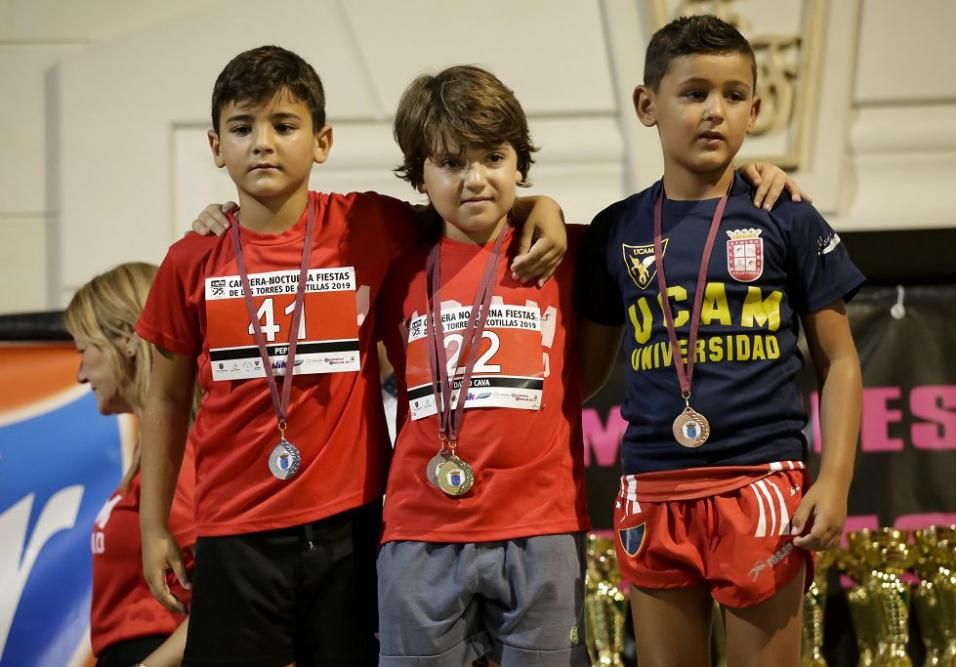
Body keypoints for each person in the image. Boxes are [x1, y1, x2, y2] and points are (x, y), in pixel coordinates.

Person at [134, 46, 564, 667]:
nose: (262, 144)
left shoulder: (367, 224)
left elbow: (465, 203)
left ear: (322, 141)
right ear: (214, 145)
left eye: (284, 126)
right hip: (233, 531)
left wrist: (537, 205)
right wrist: (154, 530)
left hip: (352, 527)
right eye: (242, 128)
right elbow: (166, 399)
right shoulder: (190, 259)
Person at [575, 15, 864, 667]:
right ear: (647, 106)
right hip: (653, 483)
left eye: (733, 96)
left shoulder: (785, 213)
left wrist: (838, 477)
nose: (715, 111)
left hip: (761, 479)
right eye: (694, 92)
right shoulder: (615, 230)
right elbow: (582, 377)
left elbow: (840, 358)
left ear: (756, 109)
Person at [374, 65, 591, 666]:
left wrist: (539, 207)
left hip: (542, 526)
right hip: (420, 533)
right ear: (420, 174)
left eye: (493, 157)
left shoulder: (563, 252)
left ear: (518, 163)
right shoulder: (393, 267)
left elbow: (590, 374)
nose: (475, 179)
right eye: (450, 162)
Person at [65, 262, 196, 667]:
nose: (80, 374)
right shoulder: (157, 452)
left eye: (84, 351)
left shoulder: (181, 455)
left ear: (126, 340)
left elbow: (223, 599)